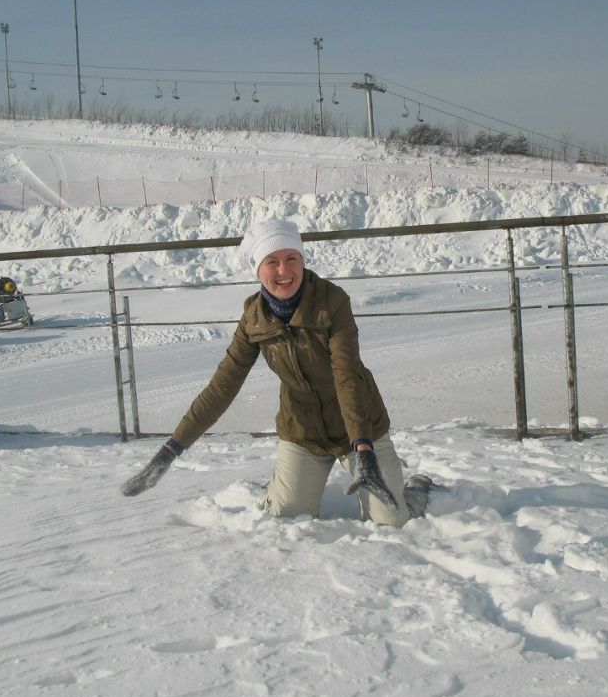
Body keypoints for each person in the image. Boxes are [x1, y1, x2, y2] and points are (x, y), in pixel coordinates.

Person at [122, 217, 431, 527]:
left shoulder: (332, 302)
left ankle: (416, 489)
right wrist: (170, 451)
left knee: (391, 519)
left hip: (360, 426)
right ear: (258, 269)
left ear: (302, 260)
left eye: (291, 259)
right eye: (272, 262)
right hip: (303, 433)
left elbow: (346, 374)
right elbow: (222, 386)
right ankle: (282, 487)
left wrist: (363, 447)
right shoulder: (254, 319)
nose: (284, 271)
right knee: (286, 518)